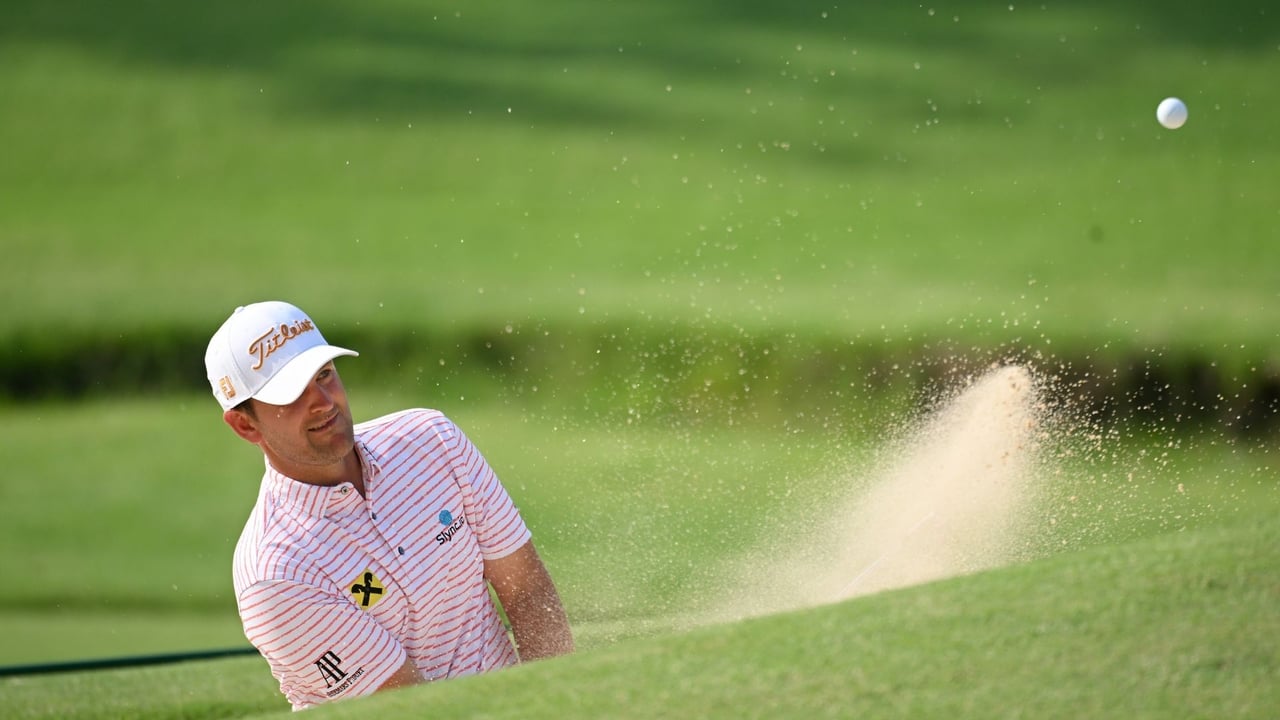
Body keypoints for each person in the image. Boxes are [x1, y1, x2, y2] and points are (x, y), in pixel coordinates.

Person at [204, 300, 573, 709]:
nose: (323, 402)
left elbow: (527, 590)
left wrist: (556, 701)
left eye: (325, 375)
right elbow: (413, 709)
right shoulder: (276, 574)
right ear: (244, 424)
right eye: (291, 394)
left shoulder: (433, 440)